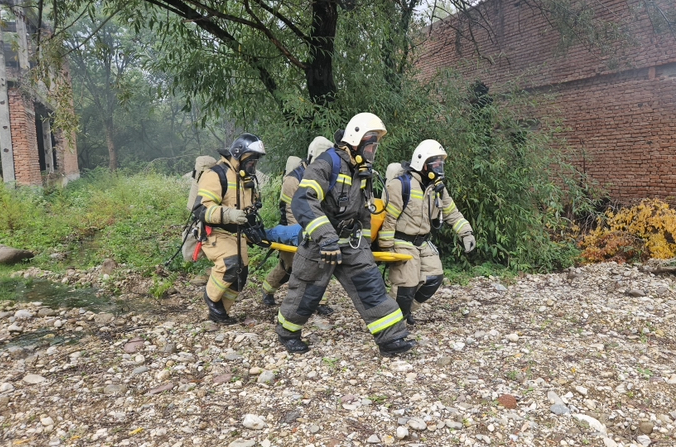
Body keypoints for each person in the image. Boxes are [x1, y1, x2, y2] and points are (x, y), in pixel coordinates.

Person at [276, 112, 415, 357]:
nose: (372, 151)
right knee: (307, 292)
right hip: (320, 244)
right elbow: (303, 201)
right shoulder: (327, 163)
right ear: (355, 140)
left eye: (374, 146)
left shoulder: (361, 170)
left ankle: (392, 339)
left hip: (351, 243)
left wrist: (362, 242)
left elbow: (362, 211)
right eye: (369, 145)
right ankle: (287, 333)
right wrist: (326, 237)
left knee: (370, 285)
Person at [379, 139, 476, 324]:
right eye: (435, 163)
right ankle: (392, 325)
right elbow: (388, 219)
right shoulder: (401, 185)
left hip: (422, 242)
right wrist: (387, 249)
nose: (439, 167)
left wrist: (466, 233)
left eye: (441, 163)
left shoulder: (436, 188)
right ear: (422, 163)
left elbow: (451, 212)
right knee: (406, 285)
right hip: (401, 241)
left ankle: (405, 312)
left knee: (434, 277)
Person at [192, 133, 266, 324]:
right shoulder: (216, 174)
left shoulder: (246, 179)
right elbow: (200, 208)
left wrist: (255, 230)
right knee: (231, 264)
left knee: (241, 275)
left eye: (255, 162)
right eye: (250, 161)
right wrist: (228, 214)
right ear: (238, 154)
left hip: (237, 234)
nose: (253, 166)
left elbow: (250, 209)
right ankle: (211, 298)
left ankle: (220, 313)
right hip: (215, 232)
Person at [261, 136, 335, 316]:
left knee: (316, 267)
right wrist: (304, 236)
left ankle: (317, 301)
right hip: (292, 231)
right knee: (290, 268)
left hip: (314, 230)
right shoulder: (293, 180)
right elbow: (291, 212)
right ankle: (268, 290)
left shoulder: (325, 177)